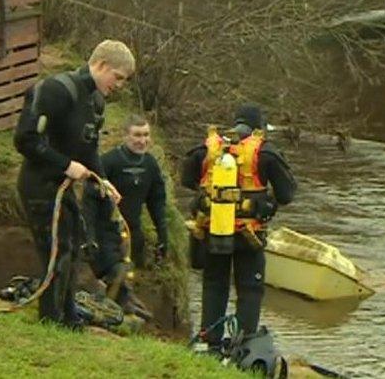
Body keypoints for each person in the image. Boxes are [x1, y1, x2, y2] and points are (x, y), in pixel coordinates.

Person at [13, 39, 133, 326]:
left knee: (73, 245)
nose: (118, 85)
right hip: (38, 185)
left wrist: (102, 180)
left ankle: (67, 316)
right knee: (57, 251)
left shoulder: (96, 103)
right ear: (101, 65)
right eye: (117, 77)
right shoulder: (56, 90)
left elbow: (88, 148)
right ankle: (51, 319)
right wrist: (66, 166)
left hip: (61, 188)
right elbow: (24, 140)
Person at [181, 104, 296, 348]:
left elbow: (186, 179)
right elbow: (286, 194)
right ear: (259, 127)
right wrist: (264, 203)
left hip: (213, 231)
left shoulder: (209, 148)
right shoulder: (264, 152)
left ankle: (209, 344)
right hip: (248, 235)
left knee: (214, 286)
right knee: (249, 290)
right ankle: (243, 348)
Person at [100, 114, 169, 269]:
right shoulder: (108, 161)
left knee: (131, 280)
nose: (142, 141)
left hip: (134, 234)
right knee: (115, 281)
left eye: (146, 135)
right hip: (108, 234)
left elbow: (157, 202)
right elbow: (90, 200)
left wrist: (162, 234)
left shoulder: (150, 164)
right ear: (125, 136)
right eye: (137, 135)